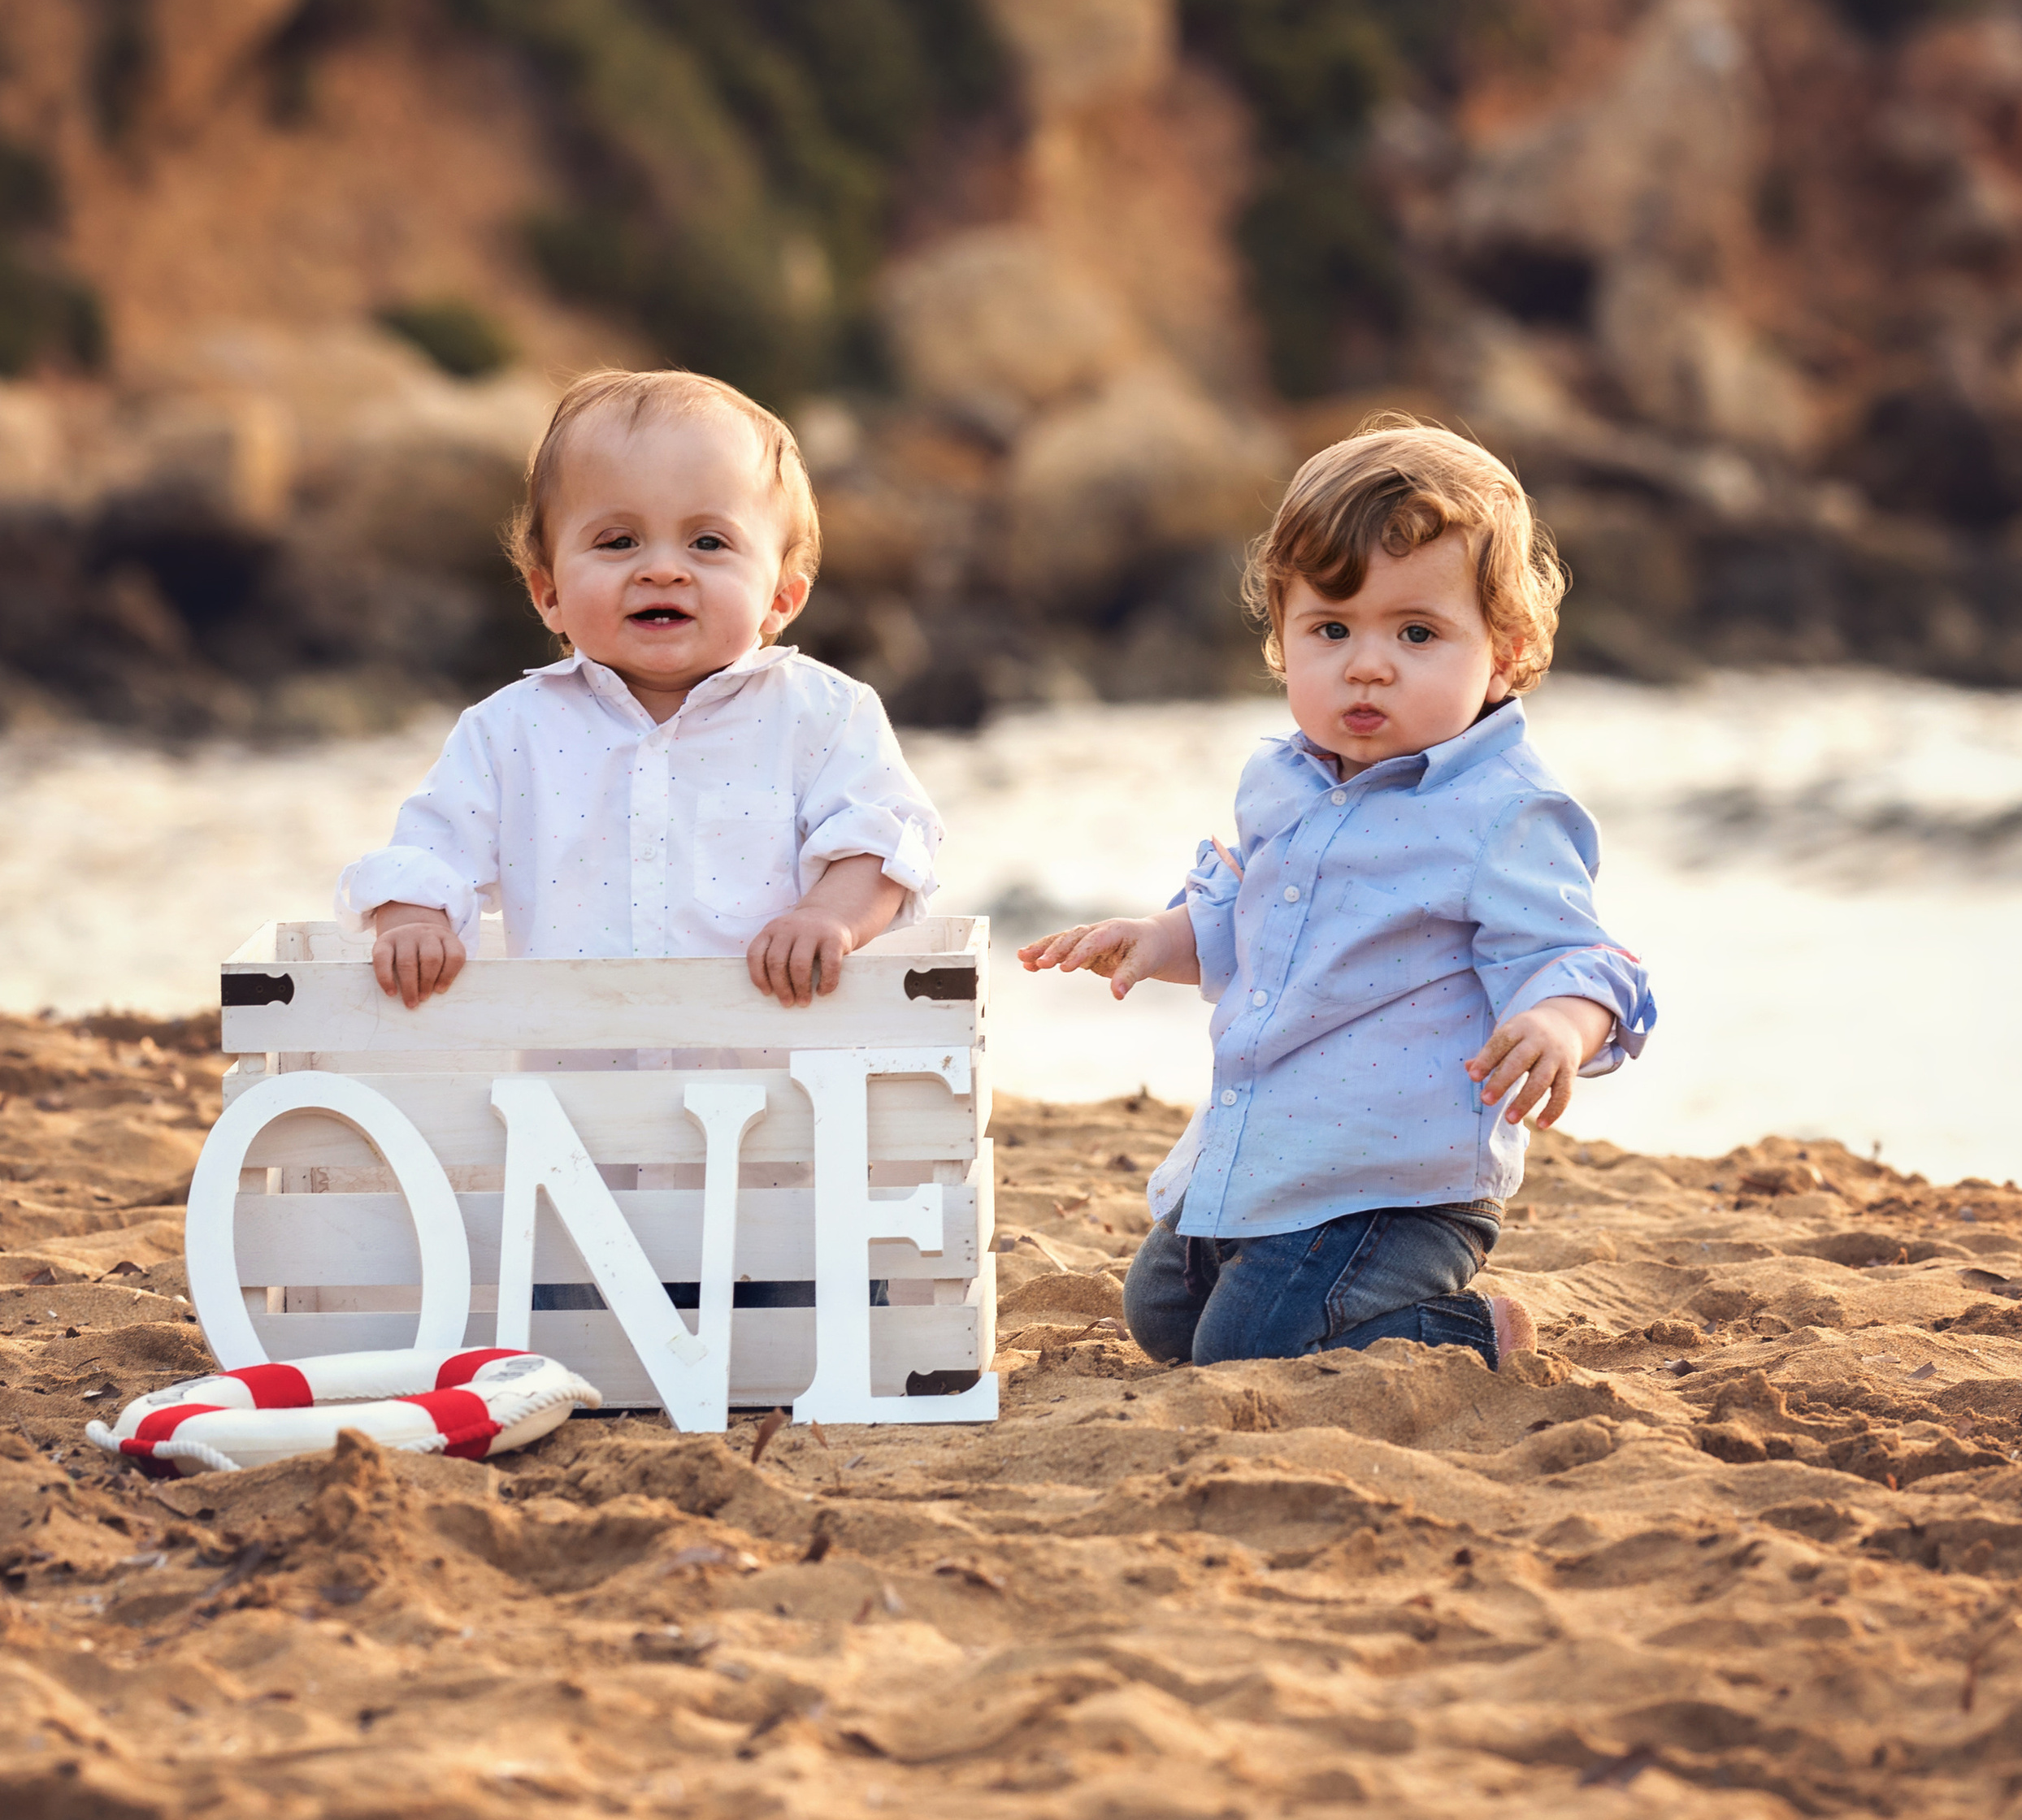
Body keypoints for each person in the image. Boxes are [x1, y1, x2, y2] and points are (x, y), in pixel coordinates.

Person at [1018, 420, 1654, 1372]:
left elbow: (1576, 954)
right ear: (1281, 640)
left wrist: (1561, 1024)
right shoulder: (1285, 781)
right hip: (1273, 1147)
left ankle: (1481, 1331)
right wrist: (1157, 937)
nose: (1367, 663)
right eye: (1330, 629)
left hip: (1395, 1180)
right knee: (1160, 1313)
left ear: (1507, 653)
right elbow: (1250, 920)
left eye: (1417, 633)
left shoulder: (1501, 811)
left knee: (1251, 1344)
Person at [337, 367, 939, 1006]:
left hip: (771, 1069)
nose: (661, 570)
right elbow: (432, 849)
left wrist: (829, 918)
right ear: (549, 595)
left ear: (781, 599)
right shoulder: (507, 732)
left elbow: (881, 842)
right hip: (572, 1077)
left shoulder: (825, 715)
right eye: (617, 541)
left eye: (708, 542)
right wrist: (413, 921)